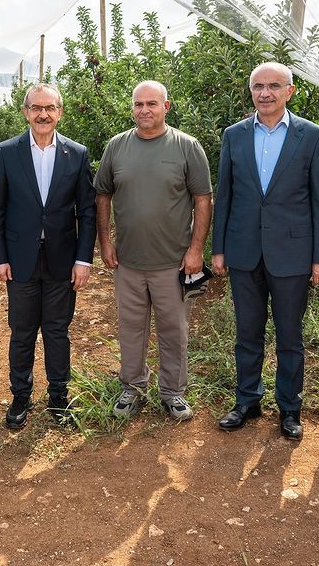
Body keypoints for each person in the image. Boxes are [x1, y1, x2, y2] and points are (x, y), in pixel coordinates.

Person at [212, 62, 319, 441]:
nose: (265, 93)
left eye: (274, 86)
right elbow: (226, 195)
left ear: (290, 91)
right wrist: (219, 249)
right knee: (247, 332)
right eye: (258, 86)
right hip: (244, 251)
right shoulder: (234, 135)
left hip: (292, 253)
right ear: (251, 92)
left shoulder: (312, 136)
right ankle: (247, 401)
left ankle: (290, 409)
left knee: (289, 336)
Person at [94, 80, 212, 423]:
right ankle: (132, 387)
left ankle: (173, 392)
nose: (144, 110)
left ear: (166, 107)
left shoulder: (187, 147)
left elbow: (202, 199)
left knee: (174, 330)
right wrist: (105, 241)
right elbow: (103, 195)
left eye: (152, 104)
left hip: (173, 263)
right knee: (131, 329)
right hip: (128, 263)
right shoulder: (117, 147)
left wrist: (196, 250)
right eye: (138, 104)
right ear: (132, 108)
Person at [0, 83, 96, 429]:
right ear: (25, 112)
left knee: (57, 330)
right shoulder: (7, 152)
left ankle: (58, 397)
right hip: (19, 260)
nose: (43, 114)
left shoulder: (76, 154)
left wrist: (84, 259)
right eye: (36, 108)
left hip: (63, 260)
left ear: (60, 112)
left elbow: (87, 212)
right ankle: (20, 397)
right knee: (21, 331)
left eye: (50, 108)